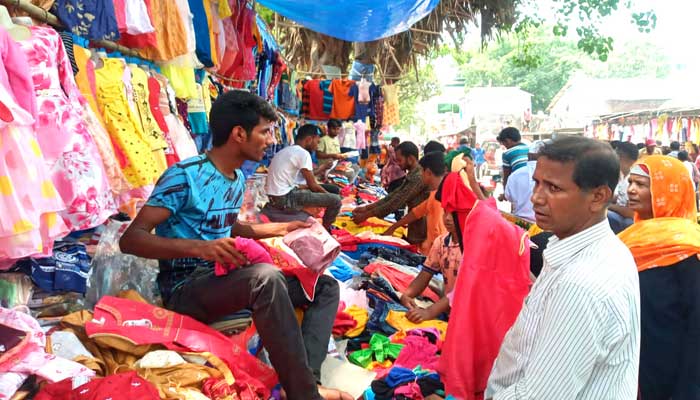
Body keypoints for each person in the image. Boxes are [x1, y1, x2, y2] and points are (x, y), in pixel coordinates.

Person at [119, 91, 349, 400]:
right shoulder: (184, 176)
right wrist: (199, 248)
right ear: (239, 134)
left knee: (325, 288)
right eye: (265, 131)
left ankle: (307, 378)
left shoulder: (236, 178)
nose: (271, 140)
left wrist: (284, 227)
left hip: (224, 279)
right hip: (186, 289)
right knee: (264, 277)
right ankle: (305, 396)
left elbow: (234, 227)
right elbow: (131, 239)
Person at [486, 136, 640, 399]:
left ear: (598, 196)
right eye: (536, 183)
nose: (536, 197)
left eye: (554, 188)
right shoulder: (586, 248)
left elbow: (539, 395)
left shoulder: (579, 284)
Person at [619, 155, 700, 400]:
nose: (631, 190)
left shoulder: (688, 249)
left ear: (669, 190)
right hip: (631, 363)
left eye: (642, 185)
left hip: (672, 369)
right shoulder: (626, 239)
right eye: (630, 182)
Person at [265, 124, 342, 230]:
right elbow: (313, 186)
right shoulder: (303, 153)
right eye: (317, 142)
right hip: (285, 198)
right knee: (336, 200)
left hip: (276, 196)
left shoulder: (287, 150)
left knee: (331, 193)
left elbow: (308, 181)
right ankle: (326, 228)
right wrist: (328, 199)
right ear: (309, 139)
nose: (317, 146)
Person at [353, 141, 430, 246]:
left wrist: (366, 215)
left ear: (410, 159)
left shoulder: (418, 177)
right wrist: (366, 209)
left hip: (423, 227)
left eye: (399, 160)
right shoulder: (413, 173)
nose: (398, 163)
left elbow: (396, 201)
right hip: (416, 225)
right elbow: (394, 195)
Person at [399, 211, 461, 323]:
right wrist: (407, 295)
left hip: (469, 314)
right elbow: (425, 274)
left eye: (454, 214)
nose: (447, 218)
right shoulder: (442, 242)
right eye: (445, 212)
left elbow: (462, 290)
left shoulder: (472, 247)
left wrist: (429, 312)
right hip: (450, 310)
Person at [382, 151, 447, 255]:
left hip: (434, 255)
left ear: (428, 172)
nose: (421, 175)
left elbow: (437, 231)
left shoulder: (438, 198)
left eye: (422, 171)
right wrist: (394, 227)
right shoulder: (436, 194)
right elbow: (416, 212)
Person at [502, 141, 541, 221]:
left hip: (520, 223)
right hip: (544, 224)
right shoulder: (553, 175)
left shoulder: (516, 175)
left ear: (528, 156)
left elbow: (509, 197)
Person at [608, 141, 638, 233]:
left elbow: (631, 213)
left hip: (629, 219)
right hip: (622, 215)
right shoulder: (622, 175)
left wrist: (606, 205)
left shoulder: (634, 177)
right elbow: (621, 198)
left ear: (620, 156)